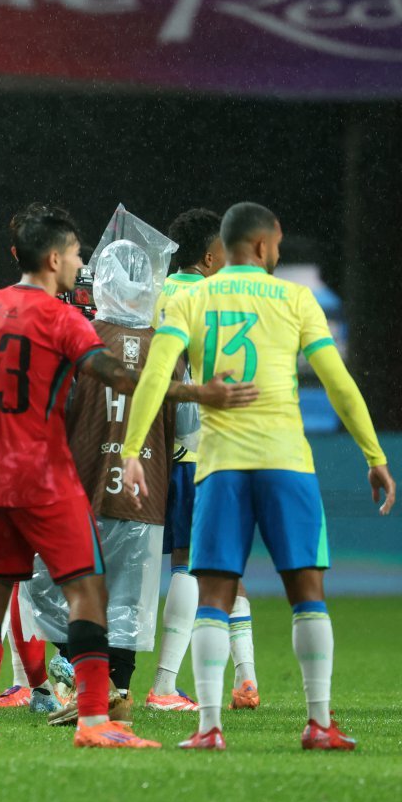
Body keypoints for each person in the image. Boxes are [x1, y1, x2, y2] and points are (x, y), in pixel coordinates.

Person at [0, 204, 253, 748]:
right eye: (75, 253)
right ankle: (94, 720)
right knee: (88, 594)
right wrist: (196, 392)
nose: (81, 263)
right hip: (47, 479)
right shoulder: (63, 319)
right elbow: (123, 377)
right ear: (54, 258)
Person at [118, 201, 396, 751]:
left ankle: (209, 727)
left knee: (213, 594)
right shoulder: (295, 298)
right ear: (266, 245)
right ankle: (319, 723)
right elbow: (337, 381)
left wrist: (132, 449)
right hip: (286, 461)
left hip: (219, 465)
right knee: (307, 592)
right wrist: (374, 454)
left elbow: (155, 374)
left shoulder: (193, 297)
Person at [31, 229, 178, 728]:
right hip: (144, 489)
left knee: (58, 586)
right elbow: (188, 425)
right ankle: (118, 688)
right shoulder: (166, 345)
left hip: (82, 487)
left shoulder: (80, 339)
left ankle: (81, 677)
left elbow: (53, 411)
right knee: (129, 600)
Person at [146, 207, 261, 712]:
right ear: (211, 257)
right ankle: (164, 686)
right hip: (202, 446)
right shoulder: (214, 297)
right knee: (194, 562)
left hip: (156, 444)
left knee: (216, 563)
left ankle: (247, 679)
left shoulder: (154, 291)